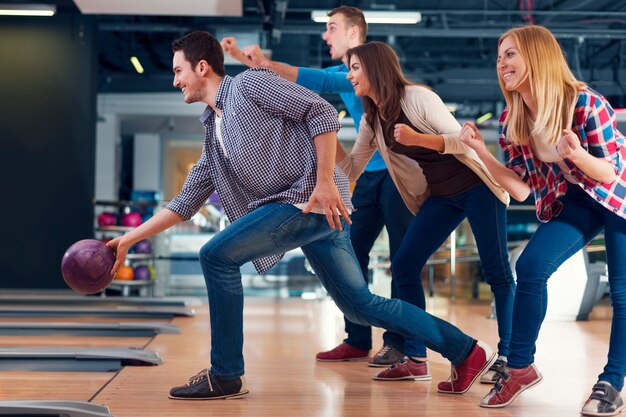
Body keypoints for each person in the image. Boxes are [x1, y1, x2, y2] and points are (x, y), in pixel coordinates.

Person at [106, 30, 496, 400]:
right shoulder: (212, 126)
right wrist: (129, 239)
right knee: (358, 305)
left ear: (202, 67)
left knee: (216, 256)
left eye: (178, 71)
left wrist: (325, 181)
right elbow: (186, 201)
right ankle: (465, 350)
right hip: (311, 212)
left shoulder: (248, 84)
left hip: (305, 201)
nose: (176, 81)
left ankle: (225, 374)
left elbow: (321, 112)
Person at [222, 6, 418, 370]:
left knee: (403, 261)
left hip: (397, 175)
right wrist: (240, 59)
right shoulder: (341, 73)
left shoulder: (365, 70)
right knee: (351, 252)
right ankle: (358, 339)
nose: (325, 36)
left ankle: (403, 344)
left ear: (355, 33)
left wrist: (262, 60)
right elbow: (303, 81)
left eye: (332, 28)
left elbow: (316, 81)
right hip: (368, 176)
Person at [459, 25, 626, 415]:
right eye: (499, 56)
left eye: (511, 54)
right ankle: (519, 367)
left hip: (618, 196)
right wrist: (480, 154)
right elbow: (520, 189)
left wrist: (577, 155)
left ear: (537, 57)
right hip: (578, 200)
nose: (502, 63)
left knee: (621, 292)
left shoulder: (584, 103)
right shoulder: (513, 120)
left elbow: (609, 173)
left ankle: (611, 382)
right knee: (531, 266)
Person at [336, 41, 516, 384]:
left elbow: (462, 140)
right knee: (404, 264)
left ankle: (509, 357)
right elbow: (354, 165)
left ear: (375, 69)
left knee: (497, 272)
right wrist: (326, 154)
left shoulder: (417, 98)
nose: (350, 75)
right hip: (442, 196)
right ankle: (416, 355)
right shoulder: (373, 118)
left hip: (478, 188)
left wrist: (418, 139)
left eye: (356, 67)